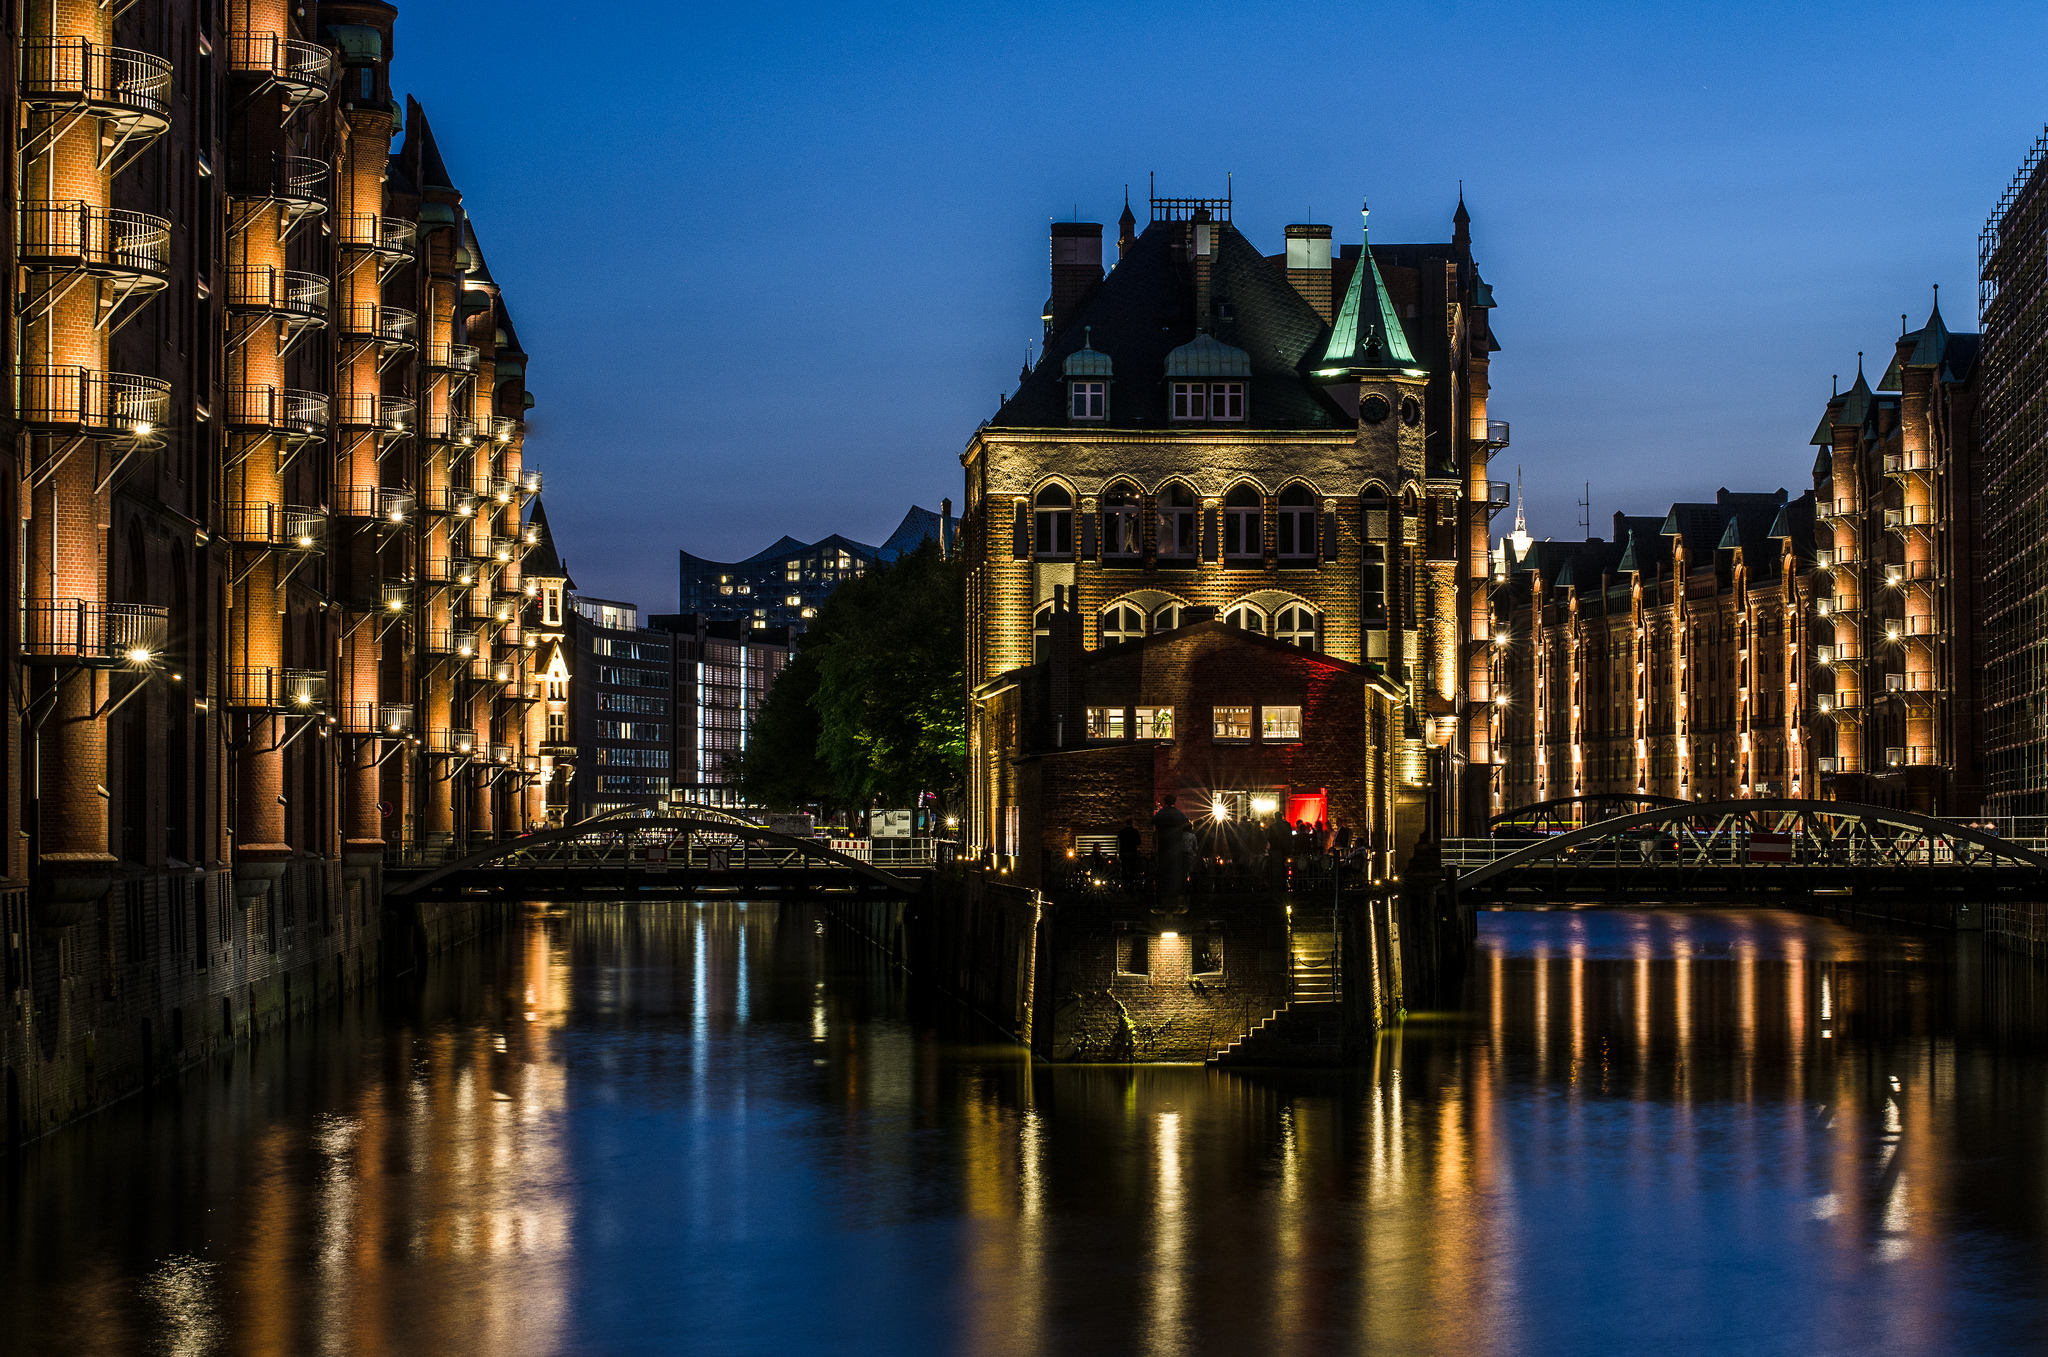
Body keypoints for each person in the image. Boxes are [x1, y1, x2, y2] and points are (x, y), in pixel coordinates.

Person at [1153, 794, 1192, 907]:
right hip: (1176, 850)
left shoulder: (1161, 815)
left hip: (1163, 849)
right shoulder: (1179, 815)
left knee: (1163, 871)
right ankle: (1176, 892)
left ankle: (1162, 892)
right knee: (1175, 872)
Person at [1116, 816, 1142, 889]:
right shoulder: (1135, 832)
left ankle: (1125, 884)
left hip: (1123, 853)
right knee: (1132, 868)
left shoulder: (1121, 832)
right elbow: (1138, 842)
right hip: (1132, 853)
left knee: (1124, 868)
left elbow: (1118, 843)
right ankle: (1132, 884)